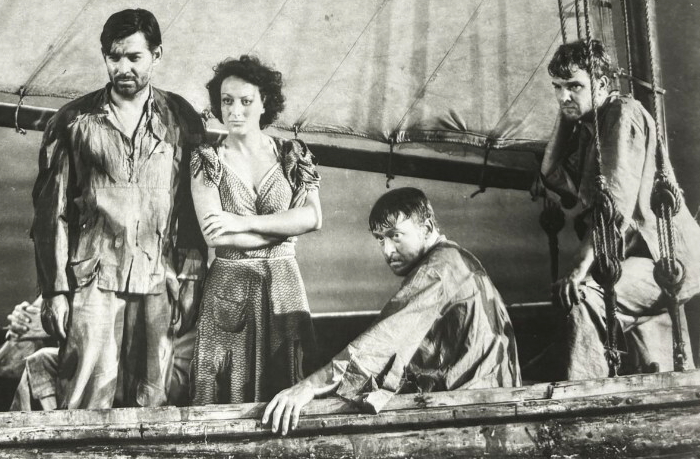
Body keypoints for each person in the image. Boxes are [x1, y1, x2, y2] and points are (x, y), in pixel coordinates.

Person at [32, 9, 206, 409]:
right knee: (85, 394)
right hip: (92, 278)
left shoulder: (181, 118)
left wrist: (191, 279)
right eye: (114, 57)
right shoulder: (72, 121)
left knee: (154, 394)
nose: (123, 68)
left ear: (156, 55)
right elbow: (51, 214)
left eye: (134, 57)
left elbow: (192, 210)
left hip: (160, 276)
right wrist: (55, 291)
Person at [263, 187, 520, 435]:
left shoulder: (438, 270)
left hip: (481, 412)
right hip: (493, 400)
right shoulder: (454, 257)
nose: (387, 251)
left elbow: (380, 342)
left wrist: (309, 386)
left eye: (395, 236)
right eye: (380, 239)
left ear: (427, 228)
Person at [540, 39, 700, 379]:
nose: (562, 96)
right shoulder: (590, 127)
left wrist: (578, 269)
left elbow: (612, 209)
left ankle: (584, 402)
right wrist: (567, 111)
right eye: (556, 87)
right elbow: (552, 175)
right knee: (662, 377)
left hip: (664, 261)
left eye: (573, 86)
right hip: (633, 258)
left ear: (601, 84)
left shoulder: (622, 115)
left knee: (583, 297)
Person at [190, 55, 322, 405]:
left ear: (265, 103)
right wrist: (285, 229)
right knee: (226, 395)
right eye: (227, 101)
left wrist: (242, 222)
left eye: (245, 101)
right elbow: (215, 236)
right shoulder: (207, 159)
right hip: (230, 293)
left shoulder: (293, 154)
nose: (235, 111)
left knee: (290, 389)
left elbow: (313, 217)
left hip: (285, 289)